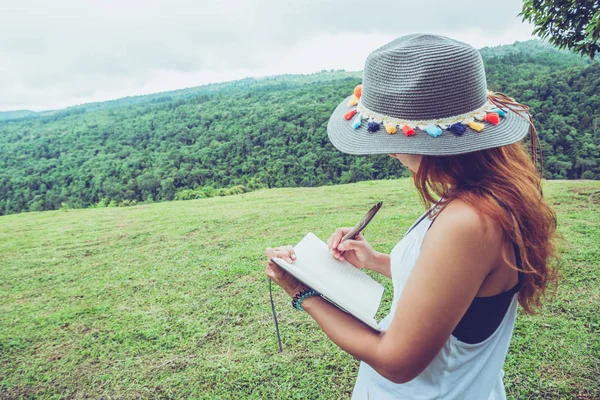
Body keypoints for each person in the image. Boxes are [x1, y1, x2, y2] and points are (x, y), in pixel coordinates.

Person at [265, 34, 558, 399]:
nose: (391, 152)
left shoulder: (469, 221)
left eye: (394, 138)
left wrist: (301, 291)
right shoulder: (482, 197)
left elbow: (396, 361)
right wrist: (374, 260)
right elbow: (456, 285)